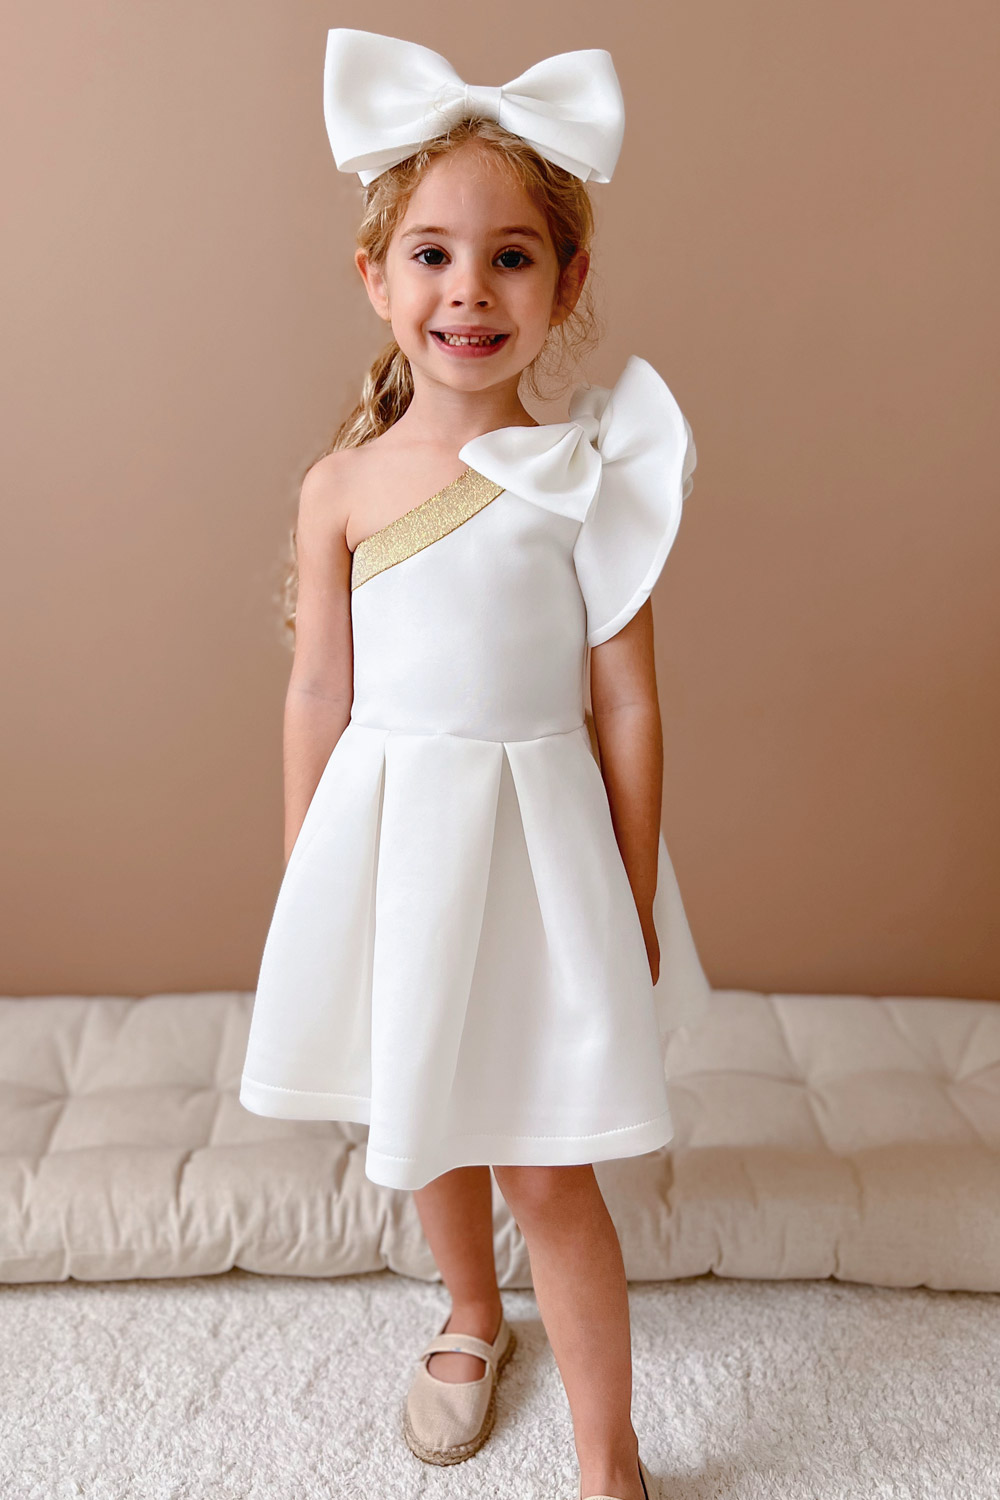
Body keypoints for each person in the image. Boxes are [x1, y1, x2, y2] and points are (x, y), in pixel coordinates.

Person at [239, 28, 712, 1500]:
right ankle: (466, 1312)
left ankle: (608, 1456)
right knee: (421, 1100)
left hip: (543, 853)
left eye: (511, 258)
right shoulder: (341, 488)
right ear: (377, 280)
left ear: (567, 284)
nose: (468, 290)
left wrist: (632, 889)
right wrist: (310, 870)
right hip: (396, 850)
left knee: (549, 1168)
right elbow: (320, 688)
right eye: (432, 256)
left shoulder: (588, 480)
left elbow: (625, 705)